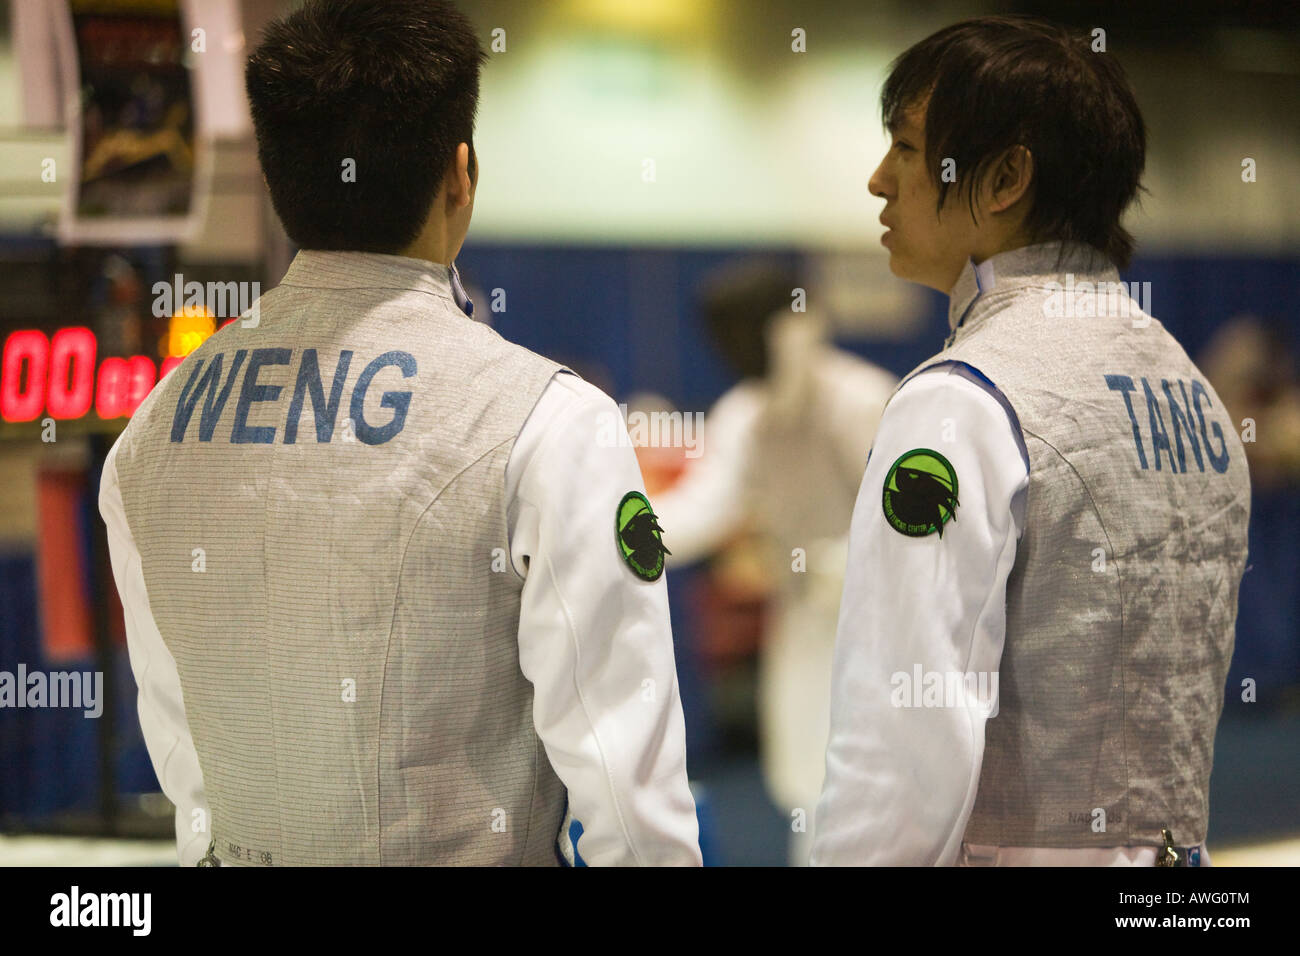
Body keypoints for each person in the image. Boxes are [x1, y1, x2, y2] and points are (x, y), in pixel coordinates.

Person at [98, 0, 699, 867]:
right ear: (461, 173)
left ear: (274, 178)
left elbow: (189, 768)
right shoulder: (546, 420)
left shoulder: (150, 434)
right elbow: (626, 795)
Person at [812, 16, 1251, 866]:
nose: (877, 180)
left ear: (1006, 176)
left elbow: (902, 753)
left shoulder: (961, 404)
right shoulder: (1192, 393)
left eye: (906, 149)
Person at [652, 260, 896, 865]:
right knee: (804, 784)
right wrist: (619, 526)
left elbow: (908, 526)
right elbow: (705, 507)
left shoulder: (861, 400)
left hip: (883, 633)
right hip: (803, 623)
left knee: (876, 789)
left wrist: (839, 568)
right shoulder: (746, 414)